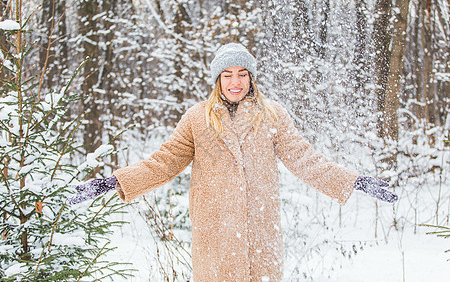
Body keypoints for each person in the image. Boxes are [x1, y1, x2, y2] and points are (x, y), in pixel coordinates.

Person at [68, 43, 397, 281]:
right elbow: (164, 162)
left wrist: (353, 180)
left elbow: (304, 160)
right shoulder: (197, 118)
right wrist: (113, 182)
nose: (235, 82)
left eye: (242, 74)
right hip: (216, 236)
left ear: (252, 78)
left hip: (260, 233)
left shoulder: (272, 115)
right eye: (227, 75)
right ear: (217, 80)